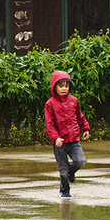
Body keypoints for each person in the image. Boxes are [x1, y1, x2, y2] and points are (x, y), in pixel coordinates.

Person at [45, 70, 90, 199]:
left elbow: (80, 117)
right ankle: (64, 191)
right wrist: (55, 138)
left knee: (80, 161)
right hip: (60, 142)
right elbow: (50, 124)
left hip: (74, 140)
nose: (64, 88)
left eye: (66, 85)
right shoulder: (50, 104)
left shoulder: (74, 101)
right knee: (63, 171)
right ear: (55, 87)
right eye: (61, 86)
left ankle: (71, 173)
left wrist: (85, 128)